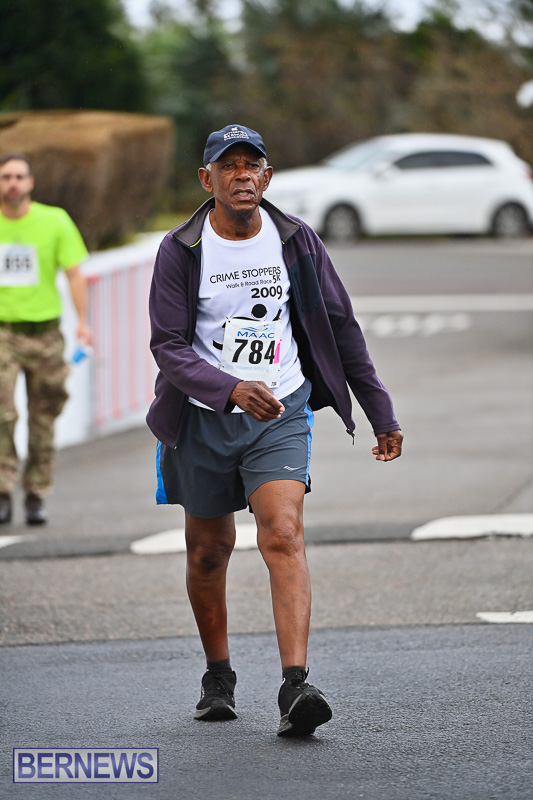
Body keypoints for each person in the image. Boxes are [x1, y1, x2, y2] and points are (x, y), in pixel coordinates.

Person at [147, 124, 403, 737]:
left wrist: (380, 411)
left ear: (267, 177)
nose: (241, 175)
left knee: (283, 535)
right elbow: (167, 346)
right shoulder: (181, 249)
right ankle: (219, 676)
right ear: (206, 180)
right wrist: (228, 387)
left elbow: (342, 328)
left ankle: (296, 687)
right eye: (227, 166)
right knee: (209, 552)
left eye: (252, 165)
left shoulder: (297, 241)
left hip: (282, 411)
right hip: (203, 417)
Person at [0, 153, 91, 525]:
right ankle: (2, 490)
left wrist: (83, 322)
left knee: (44, 416)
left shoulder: (54, 221)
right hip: (4, 332)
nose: (13, 183)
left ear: (31, 182)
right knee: (3, 413)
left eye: (20, 176)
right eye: (6, 177)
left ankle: (36, 492)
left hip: (46, 334)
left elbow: (74, 274)